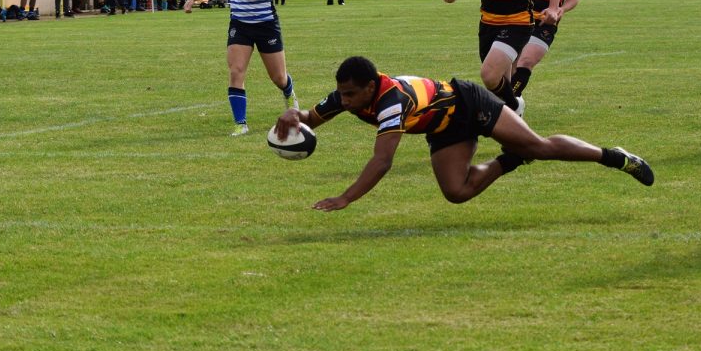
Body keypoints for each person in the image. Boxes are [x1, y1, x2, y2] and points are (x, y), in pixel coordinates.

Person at [273, 56, 653, 211]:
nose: (345, 100)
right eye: (342, 93)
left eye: (351, 94)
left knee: (538, 145)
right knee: (457, 193)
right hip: (445, 127)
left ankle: (615, 156)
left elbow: (382, 161)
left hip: (470, 103)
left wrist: (345, 198)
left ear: (371, 87)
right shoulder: (350, 96)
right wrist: (295, 116)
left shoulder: (392, 101)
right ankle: (510, 159)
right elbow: (313, 116)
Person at [183, 0, 298, 136]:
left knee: (278, 77)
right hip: (240, 24)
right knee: (236, 71)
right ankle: (241, 124)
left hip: (266, 23)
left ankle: (289, 93)